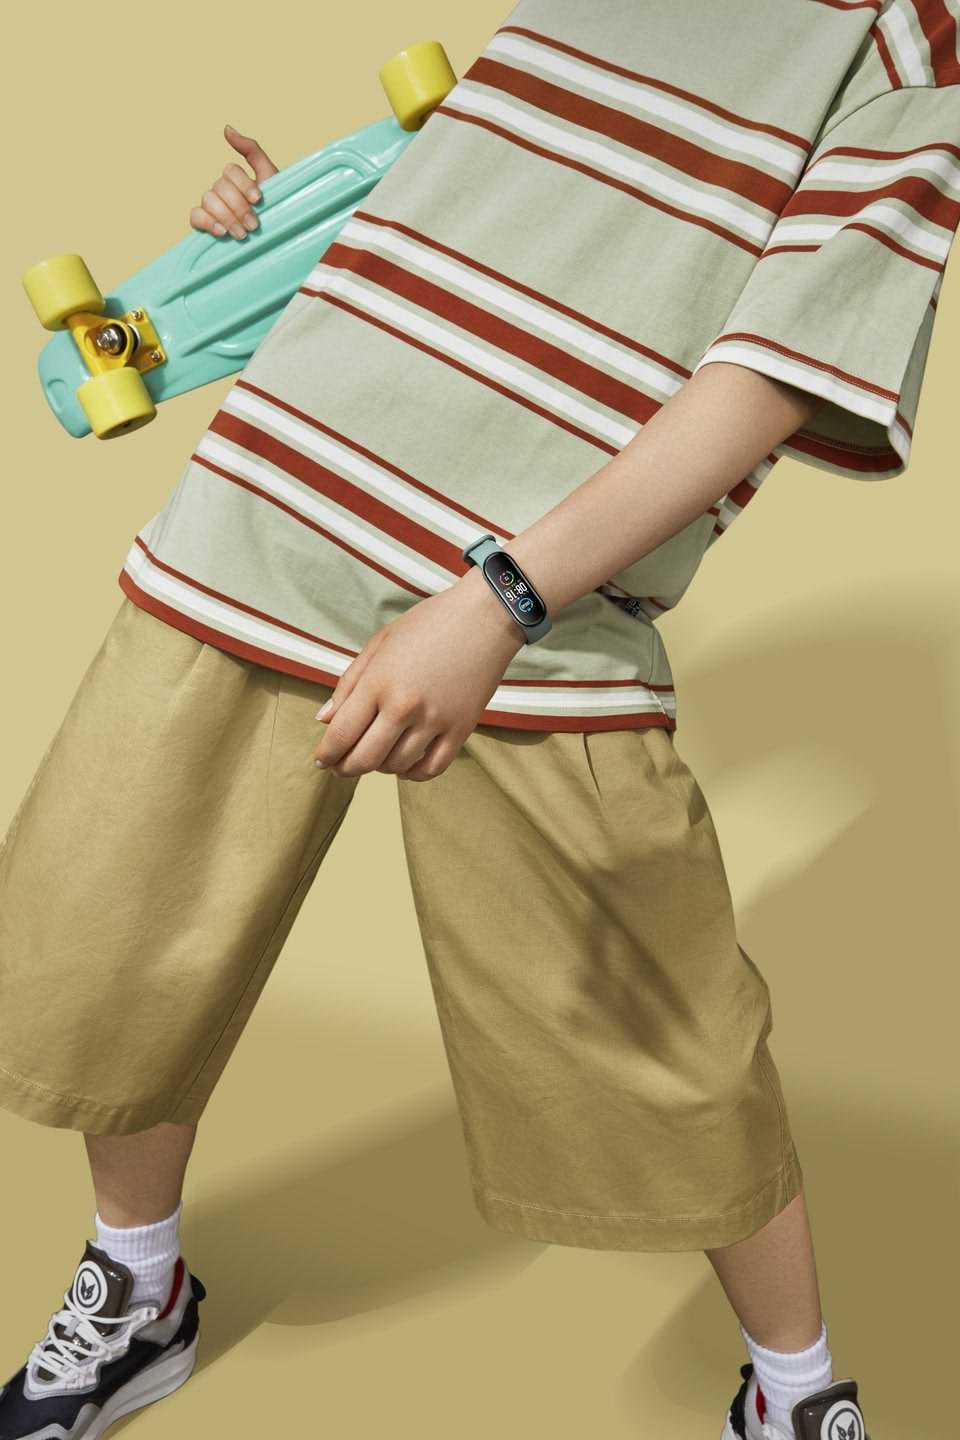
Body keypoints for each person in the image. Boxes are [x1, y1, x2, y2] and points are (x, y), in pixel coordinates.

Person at [2, 2, 957, 1436]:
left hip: (541, 605)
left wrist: (503, 597)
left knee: (666, 1034)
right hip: (265, 504)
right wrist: (255, 233)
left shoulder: (910, 52)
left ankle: (796, 1389)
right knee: (117, 931)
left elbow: (775, 377)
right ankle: (140, 1288)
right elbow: (487, 192)